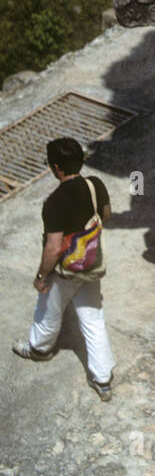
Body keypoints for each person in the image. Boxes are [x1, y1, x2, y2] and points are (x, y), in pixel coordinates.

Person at [12, 136, 115, 401]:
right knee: (93, 318)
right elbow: (106, 215)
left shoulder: (54, 203)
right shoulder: (95, 185)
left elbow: (53, 248)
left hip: (66, 270)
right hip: (91, 263)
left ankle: (39, 349)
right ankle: (103, 380)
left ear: (57, 168)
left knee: (47, 311)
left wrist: (40, 276)